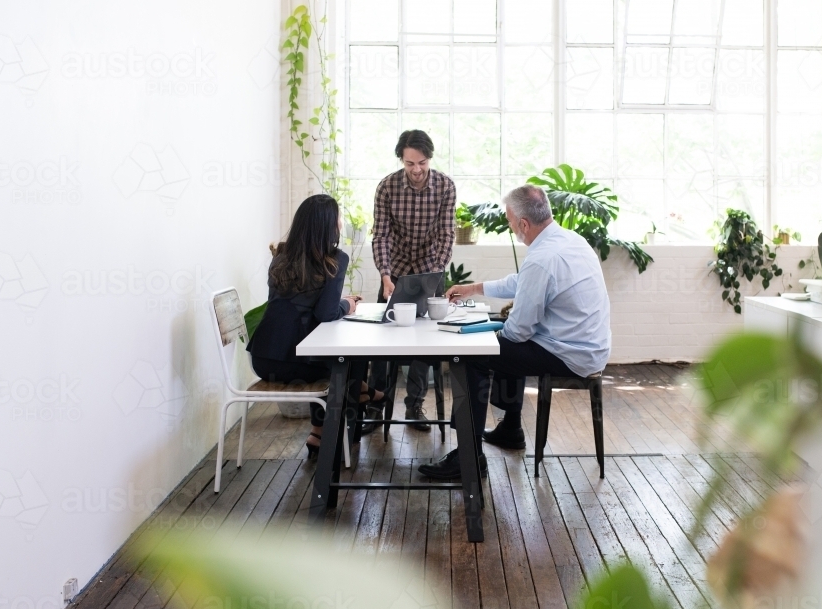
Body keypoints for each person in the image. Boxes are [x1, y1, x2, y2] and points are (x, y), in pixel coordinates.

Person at [417, 185, 611, 480]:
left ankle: (468, 455)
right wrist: (474, 289)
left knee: (475, 354)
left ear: (523, 223)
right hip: (589, 346)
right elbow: (524, 282)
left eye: (509, 222)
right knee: (503, 343)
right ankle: (510, 428)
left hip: (570, 354)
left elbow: (518, 331)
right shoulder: (569, 240)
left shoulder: (542, 257)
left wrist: (485, 332)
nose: (510, 227)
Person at [247, 194, 384, 458]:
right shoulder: (335, 258)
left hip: (262, 359)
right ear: (330, 226)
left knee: (334, 360)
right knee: (347, 362)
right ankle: (342, 416)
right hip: (298, 362)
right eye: (339, 219)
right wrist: (348, 305)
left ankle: (329, 424)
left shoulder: (281, 255)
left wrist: (338, 303)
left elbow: (292, 304)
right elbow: (326, 313)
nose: (341, 223)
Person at [365, 129, 456, 433]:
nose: (417, 170)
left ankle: (414, 405)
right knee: (382, 341)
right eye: (410, 164)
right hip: (395, 270)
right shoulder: (387, 187)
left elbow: (446, 235)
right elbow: (381, 234)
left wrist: (433, 276)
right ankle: (375, 405)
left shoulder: (445, 187)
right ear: (401, 161)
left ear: (430, 158)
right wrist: (385, 274)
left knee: (425, 342)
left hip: (430, 269)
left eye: (422, 162)